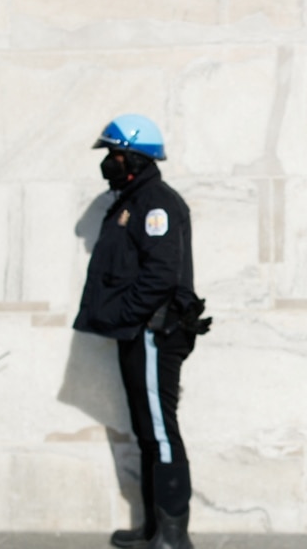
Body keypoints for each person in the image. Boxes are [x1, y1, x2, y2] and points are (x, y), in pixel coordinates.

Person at [73, 114, 211, 549]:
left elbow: (160, 276)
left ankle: (173, 534)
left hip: (153, 332)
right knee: (146, 430)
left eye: (114, 154)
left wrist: (127, 315)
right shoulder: (130, 200)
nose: (108, 163)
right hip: (137, 332)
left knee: (160, 430)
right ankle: (153, 527)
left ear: (133, 156)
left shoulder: (155, 203)